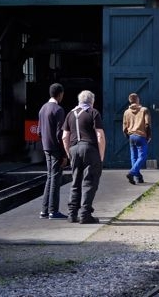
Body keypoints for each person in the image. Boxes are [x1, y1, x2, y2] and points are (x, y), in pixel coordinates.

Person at [62, 90, 106, 224]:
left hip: (74, 148)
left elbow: (65, 137)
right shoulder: (93, 113)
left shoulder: (70, 114)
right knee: (89, 182)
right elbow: (100, 135)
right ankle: (85, 214)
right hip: (89, 148)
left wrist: (69, 153)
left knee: (75, 181)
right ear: (91, 101)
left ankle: (72, 214)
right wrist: (101, 155)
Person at [38, 83, 68, 219]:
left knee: (49, 177)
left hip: (46, 147)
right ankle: (53, 211)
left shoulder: (43, 108)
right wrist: (64, 154)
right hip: (56, 149)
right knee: (56, 178)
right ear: (60, 94)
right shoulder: (58, 110)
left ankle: (44, 210)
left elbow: (39, 132)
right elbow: (59, 134)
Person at [122, 93, 151, 185]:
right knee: (143, 156)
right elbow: (147, 124)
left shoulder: (126, 112)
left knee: (133, 157)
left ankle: (138, 177)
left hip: (131, 136)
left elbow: (124, 127)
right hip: (141, 136)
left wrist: (127, 136)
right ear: (138, 99)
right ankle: (132, 173)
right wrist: (148, 136)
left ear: (130, 101)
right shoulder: (144, 110)